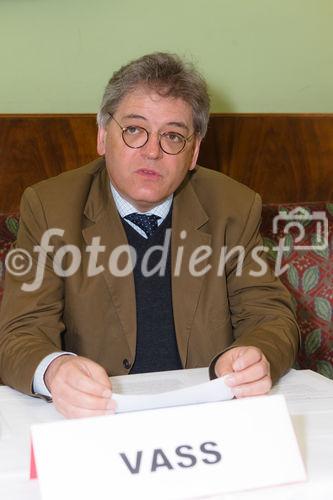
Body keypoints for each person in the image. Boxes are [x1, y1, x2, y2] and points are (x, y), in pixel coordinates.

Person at [0, 52, 299, 418]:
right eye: (134, 130)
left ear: (193, 153)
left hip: (205, 416)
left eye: (173, 136)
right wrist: (54, 370)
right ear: (101, 136)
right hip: (95, 419)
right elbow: (20, 331)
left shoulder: (233, 206)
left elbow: (270, 317)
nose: (152, 151)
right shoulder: (50, 207)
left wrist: (255, 353)